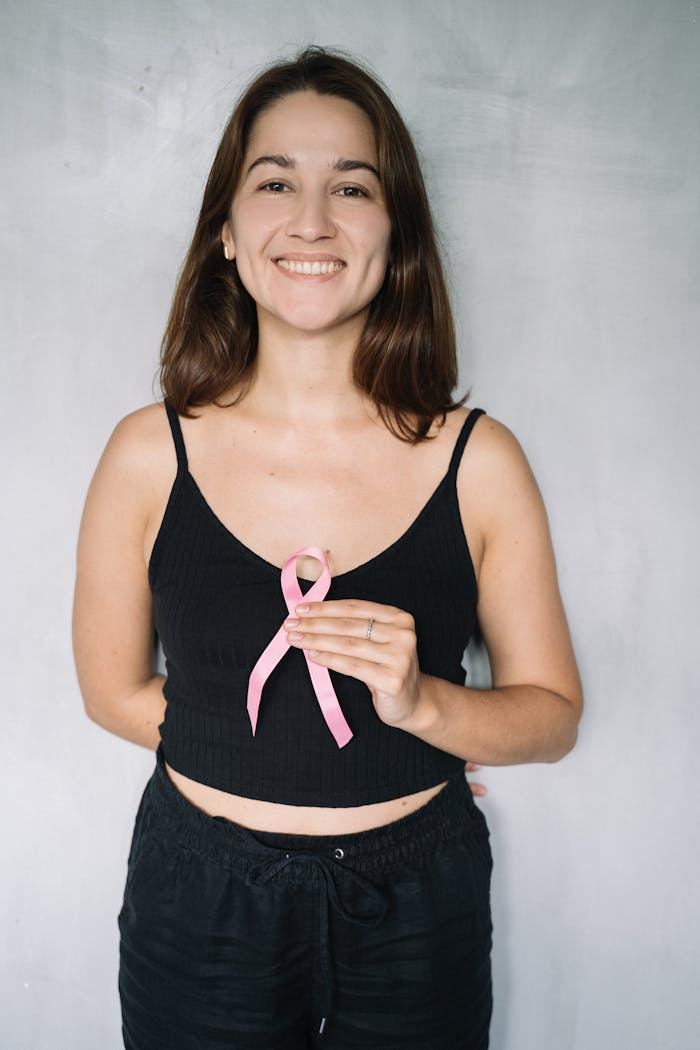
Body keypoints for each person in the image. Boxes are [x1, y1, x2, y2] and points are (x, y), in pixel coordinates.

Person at [73, 46, 582, 1050]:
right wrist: (294, 761)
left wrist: (424, 709)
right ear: (226, 229)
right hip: (200, 899)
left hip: (416, 902)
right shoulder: (148, 451)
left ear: (395, 235)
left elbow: (552, 716)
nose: (311, 220)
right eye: (274, 183)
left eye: (352, 186)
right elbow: (112, 692)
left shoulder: (478, 460)